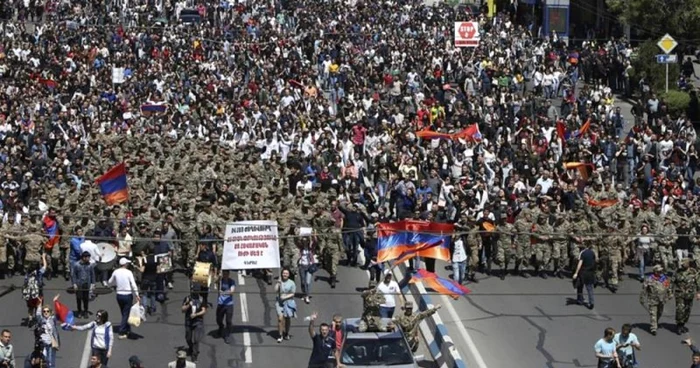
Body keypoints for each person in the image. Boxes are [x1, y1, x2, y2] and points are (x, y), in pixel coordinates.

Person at [107, 258, 140, 339]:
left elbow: (109, 282)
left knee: (124, 312)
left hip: (119, 295)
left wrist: (115, 283)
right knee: (126, 313)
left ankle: (127, 329)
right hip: (127, 295)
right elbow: (133, 284)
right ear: (125, 264)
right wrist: (137, 294)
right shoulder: (129, 272)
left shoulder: (116, 272)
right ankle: (122, 332)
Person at [640, 265, 672, 335]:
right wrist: (642, 298)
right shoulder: (649, 279)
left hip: (662, 299)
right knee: (653, 314)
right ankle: (653, 328)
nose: (660, 272)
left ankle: (655, 322)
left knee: (659, 313)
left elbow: (668, 286)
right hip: (652, 300)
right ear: (655, 271)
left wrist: (670, 294)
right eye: (659, 271)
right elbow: (644, 290)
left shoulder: (664, 278)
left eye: (661, 271)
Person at [672, 258, 700, 334]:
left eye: (684, 263)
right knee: (680, 309)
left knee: (687, 310)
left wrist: (698, 293)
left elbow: (698, 283)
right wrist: (670, 292)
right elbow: (672, 282)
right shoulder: (678, 271)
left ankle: (682, 324)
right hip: (679, 294)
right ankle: (679, 325)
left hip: (689, 294)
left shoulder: (693, 272)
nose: (682, 264)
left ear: (688, 263)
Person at [35, 295, 61, 368]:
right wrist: (40, 304)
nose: (46, 312)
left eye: (47, 311)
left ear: (50, 312)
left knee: (50, 362)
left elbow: (59, 313)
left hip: (51, 344)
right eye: (44, 311)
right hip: (42, 344)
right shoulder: (41, 320)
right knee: (43, 362)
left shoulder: (52, 319)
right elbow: (37, 315)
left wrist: (55, 301)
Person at [182, 284, 206, 363]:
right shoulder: (187, 298)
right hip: (188, 321)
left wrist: (196, 314)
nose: (195, 292)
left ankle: (194, 356)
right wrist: (189, 305)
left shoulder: (201, 299)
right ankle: (191, 348)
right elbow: (182, 309)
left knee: (196, 339)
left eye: (196, 291)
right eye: (193, 290)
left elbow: (203, 310)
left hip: (198, 321)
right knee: (188, 338)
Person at [23, 254, 47, 327]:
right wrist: (43, 257)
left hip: (29, 294)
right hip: (38, 293)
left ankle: (30, 319)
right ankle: (37, 320)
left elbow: (25, 282)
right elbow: (45, 266)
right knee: (38, 307)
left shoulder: (27, 273)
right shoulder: (39, 272)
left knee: (30, 308)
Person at [71, 251, 96, 319]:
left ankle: (85, 312)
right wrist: (74, 284)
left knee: (86, 299)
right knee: (79, 299)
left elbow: (92, 274)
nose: (89, 259)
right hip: (79, 284)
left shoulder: (90, 265)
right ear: (83, 257)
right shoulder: (76, 265)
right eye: (88, 257)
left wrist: (93, 284)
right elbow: (73, 275)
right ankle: (79, 311)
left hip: (86, 284)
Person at [275, 268, 297, 343]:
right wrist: (278, 283)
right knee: (280, 319)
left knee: (287, 318)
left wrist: (285, 297)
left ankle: (286, 332)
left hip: (288, 302)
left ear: (289, 275)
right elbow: (275, 290)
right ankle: (280, 335)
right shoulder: (280, 281)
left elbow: (293, 293)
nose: (285, 274)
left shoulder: (291, 283)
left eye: (286, 273)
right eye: (284, 273)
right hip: (279, 303)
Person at [573, 242, 597, 310]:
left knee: (580, 286)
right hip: (590, 272)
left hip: (583, 272)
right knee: (590, 288)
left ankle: (580, 300)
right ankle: (591, 302)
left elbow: (580, 264)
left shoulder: (582, 253)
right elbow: (594, 262)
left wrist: (576, 273)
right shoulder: (592, 252)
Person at [216, 270, 235, 344]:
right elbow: (215, 281)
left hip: (229, 304)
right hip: (221, 303)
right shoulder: (220, 281)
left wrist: (223, 292)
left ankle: (227, 335)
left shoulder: (231, 281)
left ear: (229, 274)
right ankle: (221, 327)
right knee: (218, 319)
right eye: (224, 274)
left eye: (226, 274)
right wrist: (219, 276)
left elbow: (232, 291)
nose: (225, 275)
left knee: (228, 321)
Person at [298, 238, 316, 304]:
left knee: (307, 282)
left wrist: (314, 235)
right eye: (303, 241)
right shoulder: (300, 248)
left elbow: (315, 241)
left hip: (309, 267)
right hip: (302, 266)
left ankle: (307, 296)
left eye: (306, 241)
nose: (305, 242)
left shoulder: (311, 248)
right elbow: (297, 241)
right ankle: (304, 293)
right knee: (303, 282)